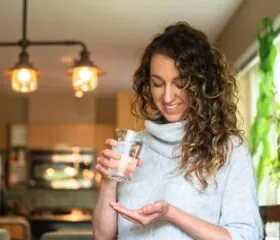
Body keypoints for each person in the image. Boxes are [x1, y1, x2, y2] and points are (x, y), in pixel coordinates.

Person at [93, 22, 263, 240]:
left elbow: (245, 236)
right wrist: (108, 181)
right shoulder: (133, 148)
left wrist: (170, 213)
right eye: (157, 83)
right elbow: (101, 236)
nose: (167, 97)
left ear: (202, 84)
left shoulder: (228, 150)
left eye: (180, 83)